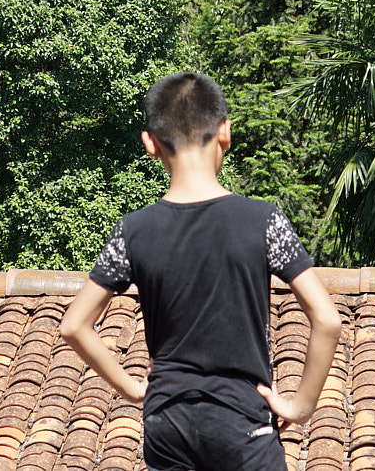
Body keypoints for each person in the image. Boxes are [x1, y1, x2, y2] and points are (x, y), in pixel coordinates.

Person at [58, 71, 341, 471]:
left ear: (150, 144)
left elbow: (73, 326)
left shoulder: (133, 231)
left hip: (166, 423)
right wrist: (300, 406)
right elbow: (327, 320)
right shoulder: (263, 221)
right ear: (224, 132)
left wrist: (135, 389)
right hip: (241, 421)